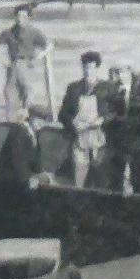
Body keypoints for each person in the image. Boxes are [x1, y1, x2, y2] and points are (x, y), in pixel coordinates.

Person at [58, 51, 112, 187]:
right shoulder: (74, 88)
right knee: (79, 179)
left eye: (92, 68)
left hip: (100, 140)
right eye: (86, 67)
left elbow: (117, 113)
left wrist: (103, 120)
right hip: (80, 139)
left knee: (100, 178)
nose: (88, 71)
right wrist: (72, 124)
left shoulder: (107, 88)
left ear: (98, 68)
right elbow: (63, 114)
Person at [0, 3, 50, 118]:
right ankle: (12, 121)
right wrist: (3, 61)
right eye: (18, 16)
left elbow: (49, 44)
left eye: (23, 17)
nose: (20, 19)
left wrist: (41, 55)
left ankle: (27, 117)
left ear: (28, 18)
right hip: (13, 66)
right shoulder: (9, 32)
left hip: (27, 65)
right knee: (10, 95)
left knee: (28, 94)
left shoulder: (34, 32)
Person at [0, 104, 54, 190]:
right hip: (6, 180)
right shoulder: (20, 131)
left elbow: (35, 158)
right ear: (31, 118)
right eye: (39, 121)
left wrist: (41, 173)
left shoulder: (34, 134)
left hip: (18, 178)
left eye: (44, 123)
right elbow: (18, 160)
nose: (41, 125)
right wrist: (29, 179)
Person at [103, 60, 135, 192]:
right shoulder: (111, 91)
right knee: (116, 178)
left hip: (134, 140)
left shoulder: (138, 89)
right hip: (117, 141)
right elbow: (106, 112)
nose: (120, 76)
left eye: (123, 72)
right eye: (118, 73)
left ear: (130, 72)